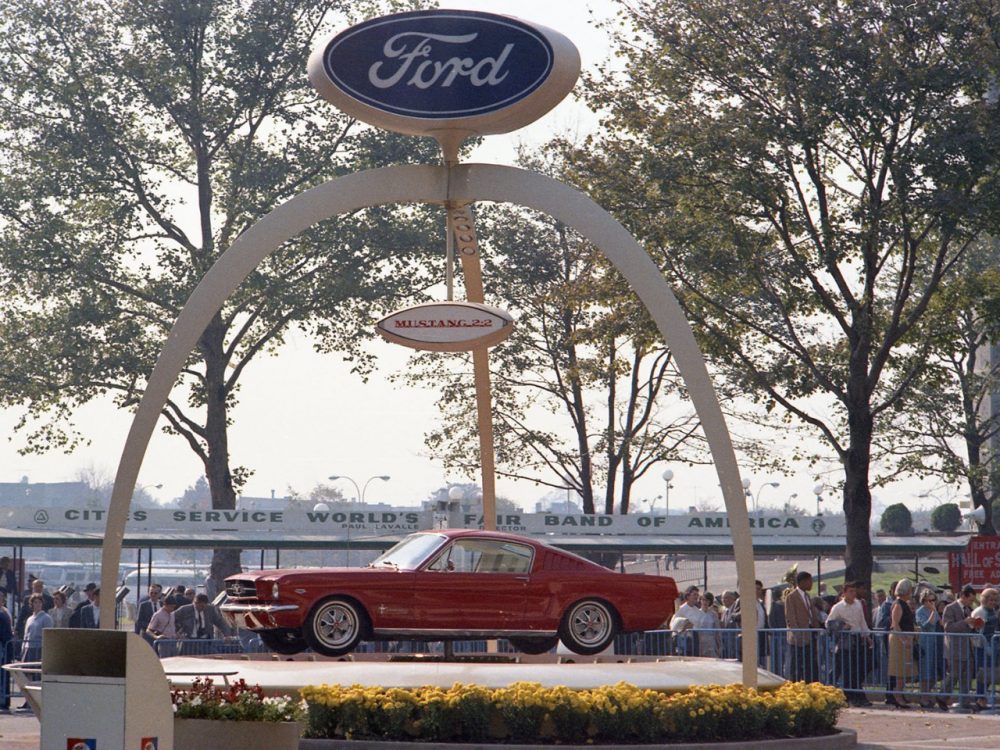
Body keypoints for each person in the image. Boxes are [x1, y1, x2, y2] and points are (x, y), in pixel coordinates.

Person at [826, 581, 872, 706]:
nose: (853, 594)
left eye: (854, 591)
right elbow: (828, 623)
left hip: (858, 640)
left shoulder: (858, 604)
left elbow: (862, 622)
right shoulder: (838, 607)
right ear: (844, 593)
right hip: (845, 642)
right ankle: (850, 696)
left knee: (858, 669)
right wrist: (842, 626)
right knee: (847, 670)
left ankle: (856, 695)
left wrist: (867, 636)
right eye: (850, 591)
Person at [942, 584, 977, 710]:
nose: (971, 602)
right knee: (954, 675)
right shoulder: (950, 608)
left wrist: (974, 625)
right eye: (970, 599)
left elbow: (969, 628)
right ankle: (942, 697)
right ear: (963, 596)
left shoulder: (968, 610)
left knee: (966, 677)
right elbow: (948, 627)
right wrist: (965, 622)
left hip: (967, 649)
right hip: (955, 648)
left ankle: (965, 701)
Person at [887, 578, 917, 707]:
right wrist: (904, 640)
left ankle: (899, 694)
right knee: (900, 670)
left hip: (905, 638)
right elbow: (895, 625)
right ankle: (898, 697)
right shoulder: (898, 604)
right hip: (900, 640)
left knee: (904, 670)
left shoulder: (904, 603)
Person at [785, 571, 819, 682]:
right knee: (796, 665)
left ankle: (810, 685)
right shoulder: (791, 597)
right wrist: (798, 634)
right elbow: (791, 617)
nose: (811, 584)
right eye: (810, 581)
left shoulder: (807, 596)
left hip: (809, 635)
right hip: (798, 638)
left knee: (809, 664)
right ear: (803, 582)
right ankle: (794, 687)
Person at [970, 587, 1000, 710]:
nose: (992, 602)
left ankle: (984, 698)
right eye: (990, 600)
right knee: (982, 674)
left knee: (990, 673)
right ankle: (980, 699)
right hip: (982, 648)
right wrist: (983, 644)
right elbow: (976, 631)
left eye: (995, 600)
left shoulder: (993, 611)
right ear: (984, 599)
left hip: (993, 646)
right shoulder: (979, 612)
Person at [915, 589, 943, 708]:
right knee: (925, 671)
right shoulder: (920, 611)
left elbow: (940, 623)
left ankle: (926, 694)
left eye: (934, 600)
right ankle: (924, 698)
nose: (932, 602)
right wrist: (933, 611)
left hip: (935, 642)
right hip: (924, 642)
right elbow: (927, 625)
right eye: (930, 600)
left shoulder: (934, 611)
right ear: (924, 601)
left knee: (934, 671)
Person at [20, 593, 51, 662]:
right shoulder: (29, 619)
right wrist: (23, 648)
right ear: (32, 604)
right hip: (28, 648)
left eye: (40, 602)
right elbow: (26, 635)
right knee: (26, 671)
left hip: (39, 649)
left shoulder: (46, 618)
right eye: (35, 602)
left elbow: (49, 636)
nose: (38, 604)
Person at [671, 586, 701, 656]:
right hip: (684, 639)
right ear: (688, 596)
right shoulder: (681, 609)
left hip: (695, 638)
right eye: (694, 594)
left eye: (697, 595)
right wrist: (685, 624)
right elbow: (674, 624)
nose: (696, 597)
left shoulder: (697, 610)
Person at [690, 592, 721, 657]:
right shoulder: (696, 613)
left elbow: (717, 629)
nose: (705, 602)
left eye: (707, 600)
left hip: (711, 640)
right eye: (703, 600)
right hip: (700, 640)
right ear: (700, 601)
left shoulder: (713, 614)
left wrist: (719, 644)